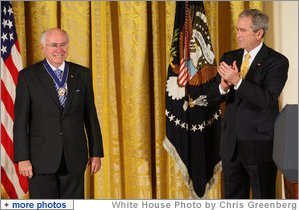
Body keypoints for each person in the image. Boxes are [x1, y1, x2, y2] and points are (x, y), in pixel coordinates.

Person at [206, 9, 288, 198]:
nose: (237, 35)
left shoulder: (277, 62)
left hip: (259, 147)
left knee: (263, 200)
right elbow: (211, 98)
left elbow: (266, 99)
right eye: (237, 29)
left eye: (243, 30)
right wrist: (223, 87)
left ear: (259, 33)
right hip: (231, 147)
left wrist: (238, 82)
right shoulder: (229, 57)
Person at [13, 28, 104, 199]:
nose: (59, 49)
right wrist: (22, 157)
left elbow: (90, 116)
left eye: (63, 44)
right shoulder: (28, 76)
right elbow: (21, 122)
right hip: (40, 159)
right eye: (53, 45)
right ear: (43, 47)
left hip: (74, 156)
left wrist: (96, 152)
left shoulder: (82, 74)